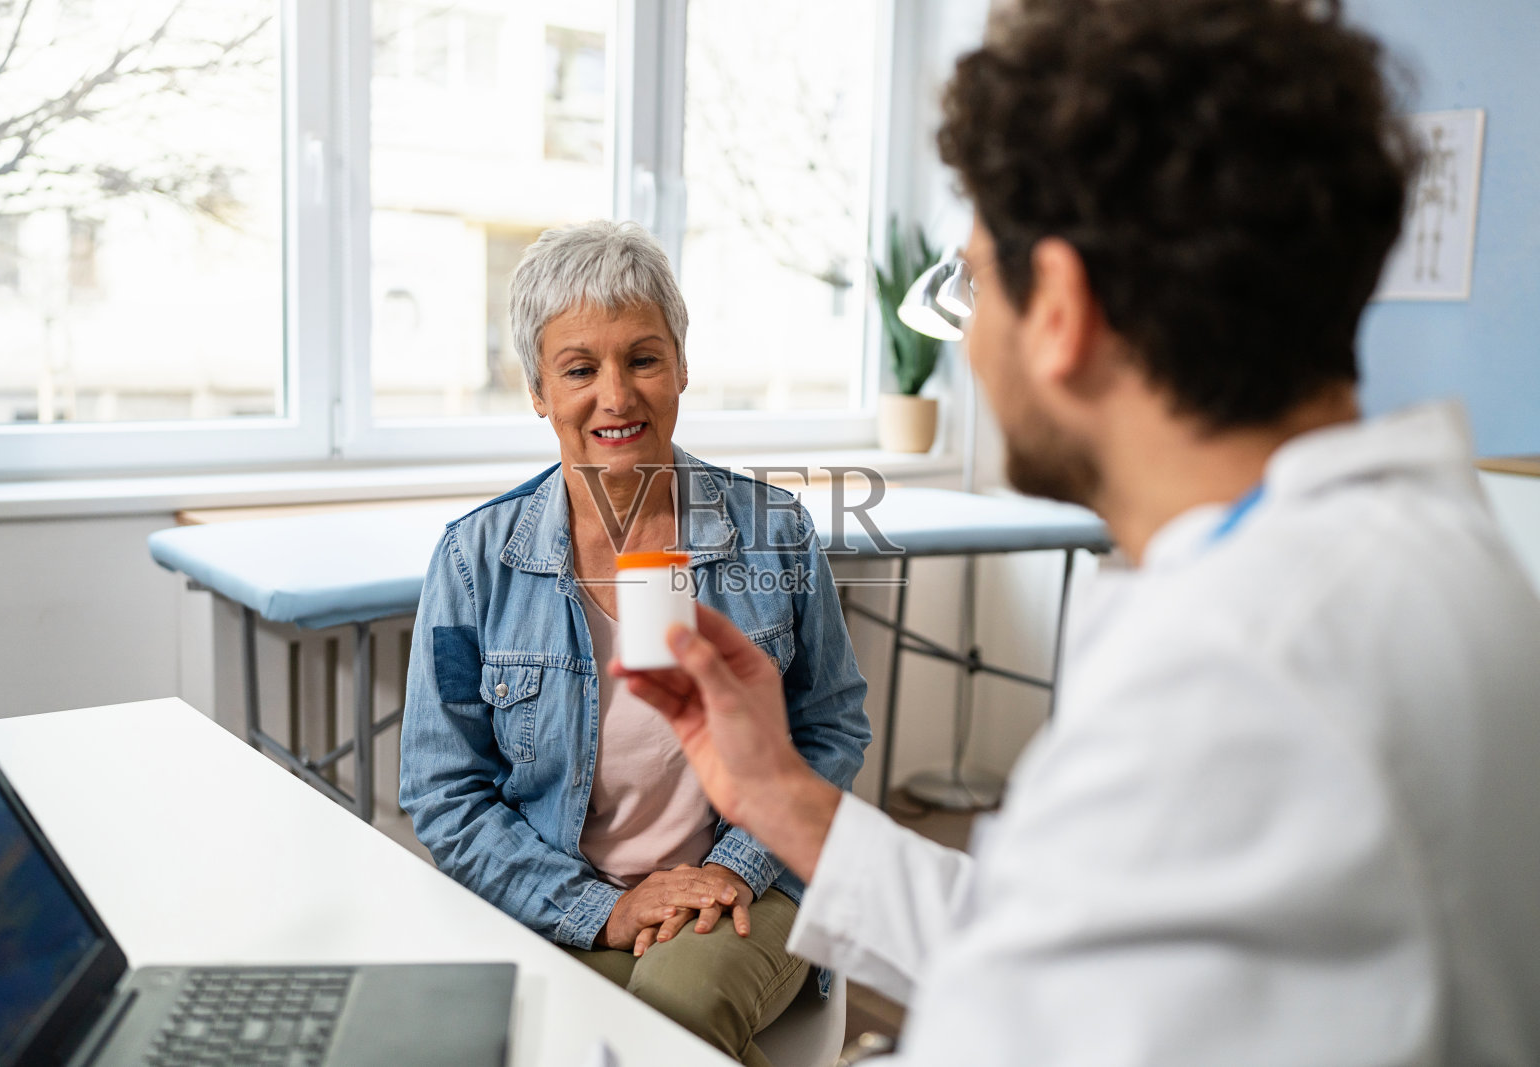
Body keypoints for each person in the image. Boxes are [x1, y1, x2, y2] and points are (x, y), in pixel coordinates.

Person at [618, 0, 1540, 1062]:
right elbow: (1062, 930)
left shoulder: (1232, 674)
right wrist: (780, 798)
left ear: (1055, 305)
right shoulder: (1419, 560)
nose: (967, 342)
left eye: (973, 278)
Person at [398, 220, 871, 1066]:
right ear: (539, 390)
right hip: (557, 883)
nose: (616, 396)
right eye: (580, 369)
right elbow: (443, 793)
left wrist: (734, 866)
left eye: (643, 359)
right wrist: (600, 911)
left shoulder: (774, 532)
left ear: (682, 368)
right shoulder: (473, 560)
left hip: (743, 883)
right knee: (601, 1024)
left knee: (675, 1003)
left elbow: (830, 727)